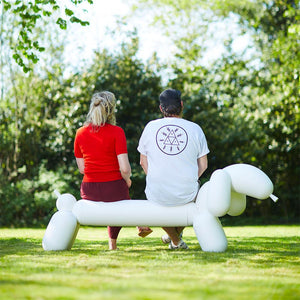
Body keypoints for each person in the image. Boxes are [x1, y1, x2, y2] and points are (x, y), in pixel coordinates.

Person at [74, 91, 152, 250]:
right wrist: (127, 179)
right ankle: (136, 226)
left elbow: (82, 169)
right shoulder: (117, 132)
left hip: (88, 190)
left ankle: (136, 227)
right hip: (113, 186)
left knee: (120, 201)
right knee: (122, 201)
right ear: (111, 110)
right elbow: (124, 168)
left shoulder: (80, 133)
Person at [137, 88, 209, 249]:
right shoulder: (195, 129)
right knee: (195, 197)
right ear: (182, 105)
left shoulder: (150, 127)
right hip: (187, 191)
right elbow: (204, 165)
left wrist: (156, 177)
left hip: (157, 191)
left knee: (158, 203)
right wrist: (190, 178)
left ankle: (175, 239)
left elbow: (143, 162)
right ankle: (175, 237)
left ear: (161, 108)